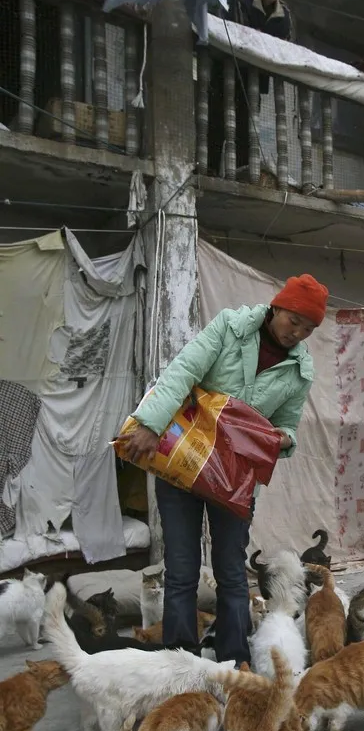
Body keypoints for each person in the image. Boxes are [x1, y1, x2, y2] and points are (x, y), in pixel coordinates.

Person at [118, 274, 329, 666]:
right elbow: (182, 372)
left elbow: (287, 423)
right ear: (276, 308)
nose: (297, 332)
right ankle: (180, 661)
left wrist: (283, 439)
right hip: (184, 464)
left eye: (308, 328)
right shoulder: (230, 328)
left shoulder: (300, 370)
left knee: (231, 570)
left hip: (234, 482)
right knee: (181, 569)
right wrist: (150, 424)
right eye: (293, 320)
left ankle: (235, 660)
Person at [227, 0, 294, 170]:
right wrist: (266, 44)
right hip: (230, 70)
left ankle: (242, 172)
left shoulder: (285, 15)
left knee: (247, 127)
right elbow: (242, 37)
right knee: (220, 122)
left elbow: (285, 50)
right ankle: (210, 168)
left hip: (255, 79)